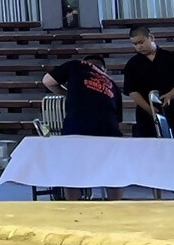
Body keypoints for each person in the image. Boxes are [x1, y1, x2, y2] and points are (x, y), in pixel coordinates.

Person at [42, 53, 124, 200]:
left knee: (72, 170)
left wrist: (69, 93)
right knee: (113, 171)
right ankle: (115, 205)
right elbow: (118, 119)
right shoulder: (112, 84)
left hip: (77, 127)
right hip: (109, 130)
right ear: (104, 69)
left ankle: (74, 206)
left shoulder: (76, 65)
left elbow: (47, 81)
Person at [122, 27, 174, 138]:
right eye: (135, 44)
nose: (139, 47)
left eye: (141, 42)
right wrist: (150, 110)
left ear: (151, 38)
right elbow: (132, 91)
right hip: (145, 113)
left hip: (172, 109)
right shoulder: (132, 64)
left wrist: (169, 95)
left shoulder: (170, 58)